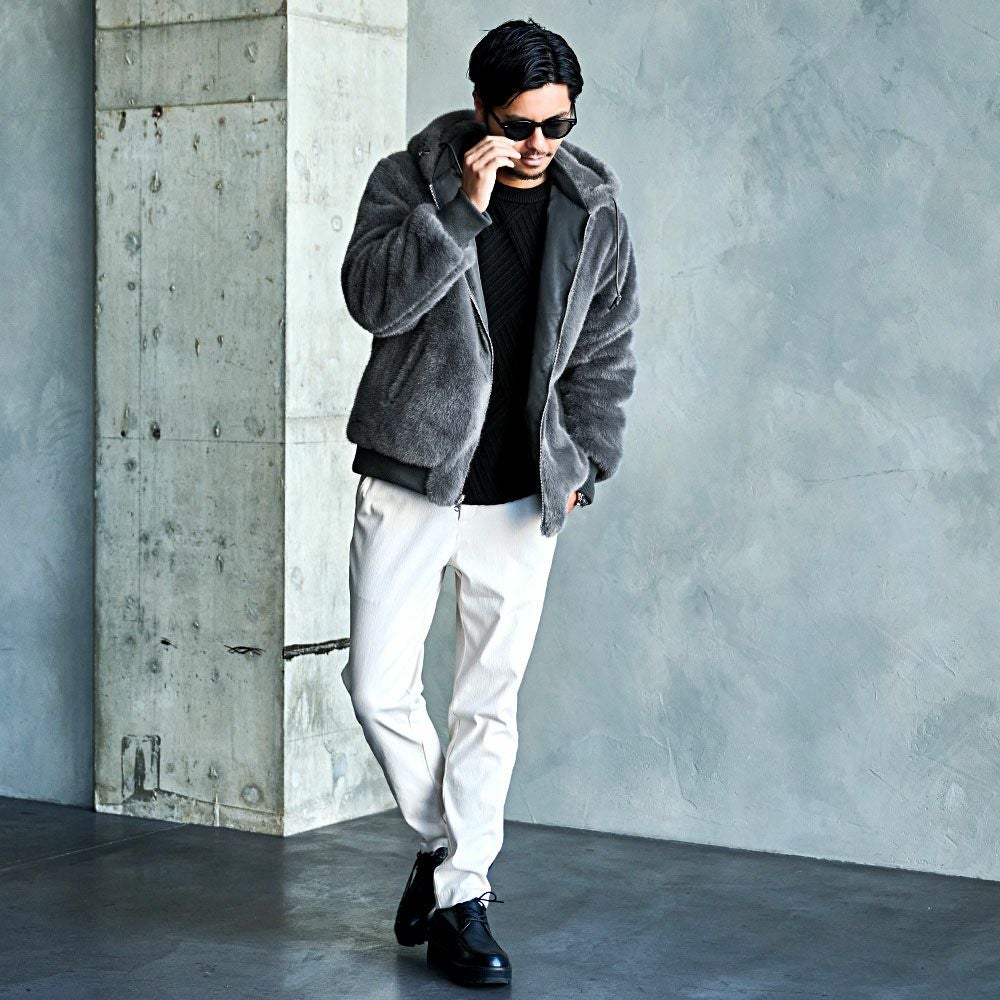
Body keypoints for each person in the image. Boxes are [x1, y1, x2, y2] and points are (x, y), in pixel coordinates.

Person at [338, 17, 640, 988]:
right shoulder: (409, 181)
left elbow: (606, 348)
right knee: (375, 686)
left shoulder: (593, 210)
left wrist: (586, 456)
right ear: (481, 110)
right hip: (414, 475)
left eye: (559, 124)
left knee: (487, 702)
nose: (541, 145)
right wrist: (460, 214)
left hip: (522, 494)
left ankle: (463, 892)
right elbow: (372, 301)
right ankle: (444, 849)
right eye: (521, 125)